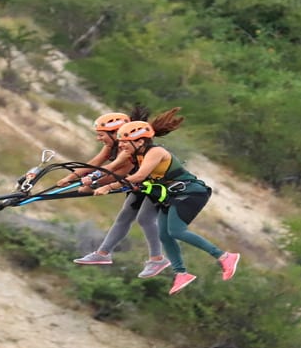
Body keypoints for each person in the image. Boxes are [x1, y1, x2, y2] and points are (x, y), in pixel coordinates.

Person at [93, 120, 239, 295]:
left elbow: (139, 176)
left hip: (191, 193)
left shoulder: (155, 152)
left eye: (125, 141)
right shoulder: (136, 155)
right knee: (164, 234)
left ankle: (224, 256)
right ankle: (181, 273)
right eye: (120, 141)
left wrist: (109, 187)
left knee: (177, 231)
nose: (121, 145)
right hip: (170, 195)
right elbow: (137, 178)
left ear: (140, 141)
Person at [56, 108, 172, 278]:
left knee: (144, 219)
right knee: (125, 218)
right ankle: (103, 254)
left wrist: (94, 184)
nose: (98, 138)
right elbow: (95, 164)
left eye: (101, 134)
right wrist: (71, 177)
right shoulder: (114, 147)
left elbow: (118, 173)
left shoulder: (127, 150)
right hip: (139, 184)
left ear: (115, 133)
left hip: (155, 186)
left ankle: (157, 259)